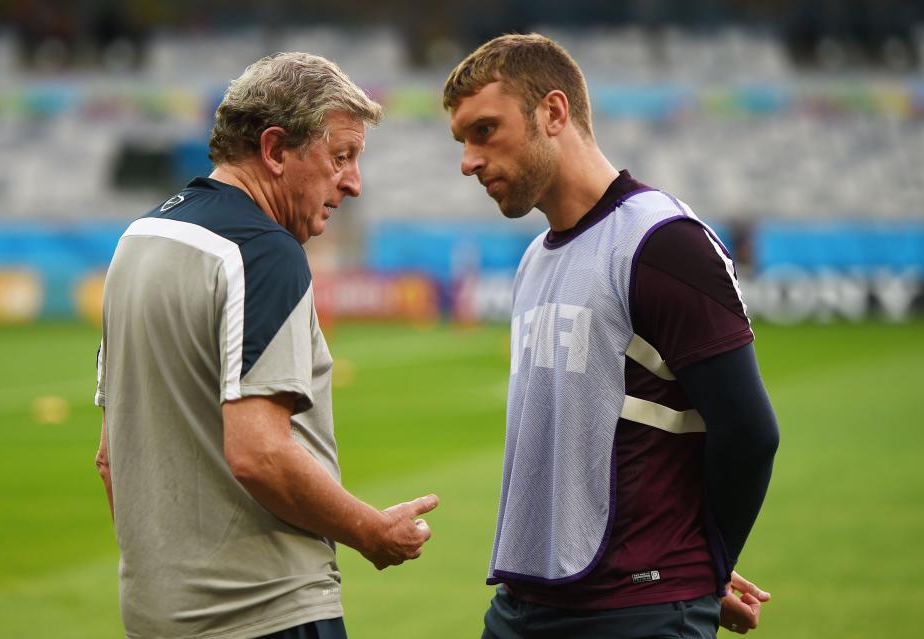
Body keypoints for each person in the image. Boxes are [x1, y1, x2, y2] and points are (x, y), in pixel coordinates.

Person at [444, 34, 779, 638]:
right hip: (523, 605)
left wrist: (705, 569)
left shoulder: (662, 242)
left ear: (553, 112)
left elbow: (750, 433)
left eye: (484, 130)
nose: (468, 160)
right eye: (462, 140)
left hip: (634, 613)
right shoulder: (533, 259)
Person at [94, 52, 438, 639]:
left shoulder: (138, 240)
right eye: (341, 156)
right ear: (276, 150)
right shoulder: (265, 251)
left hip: (155, 617)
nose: (353, 182)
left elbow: (109, 458)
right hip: (266, 612)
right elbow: (260, 454)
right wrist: (369, 531)